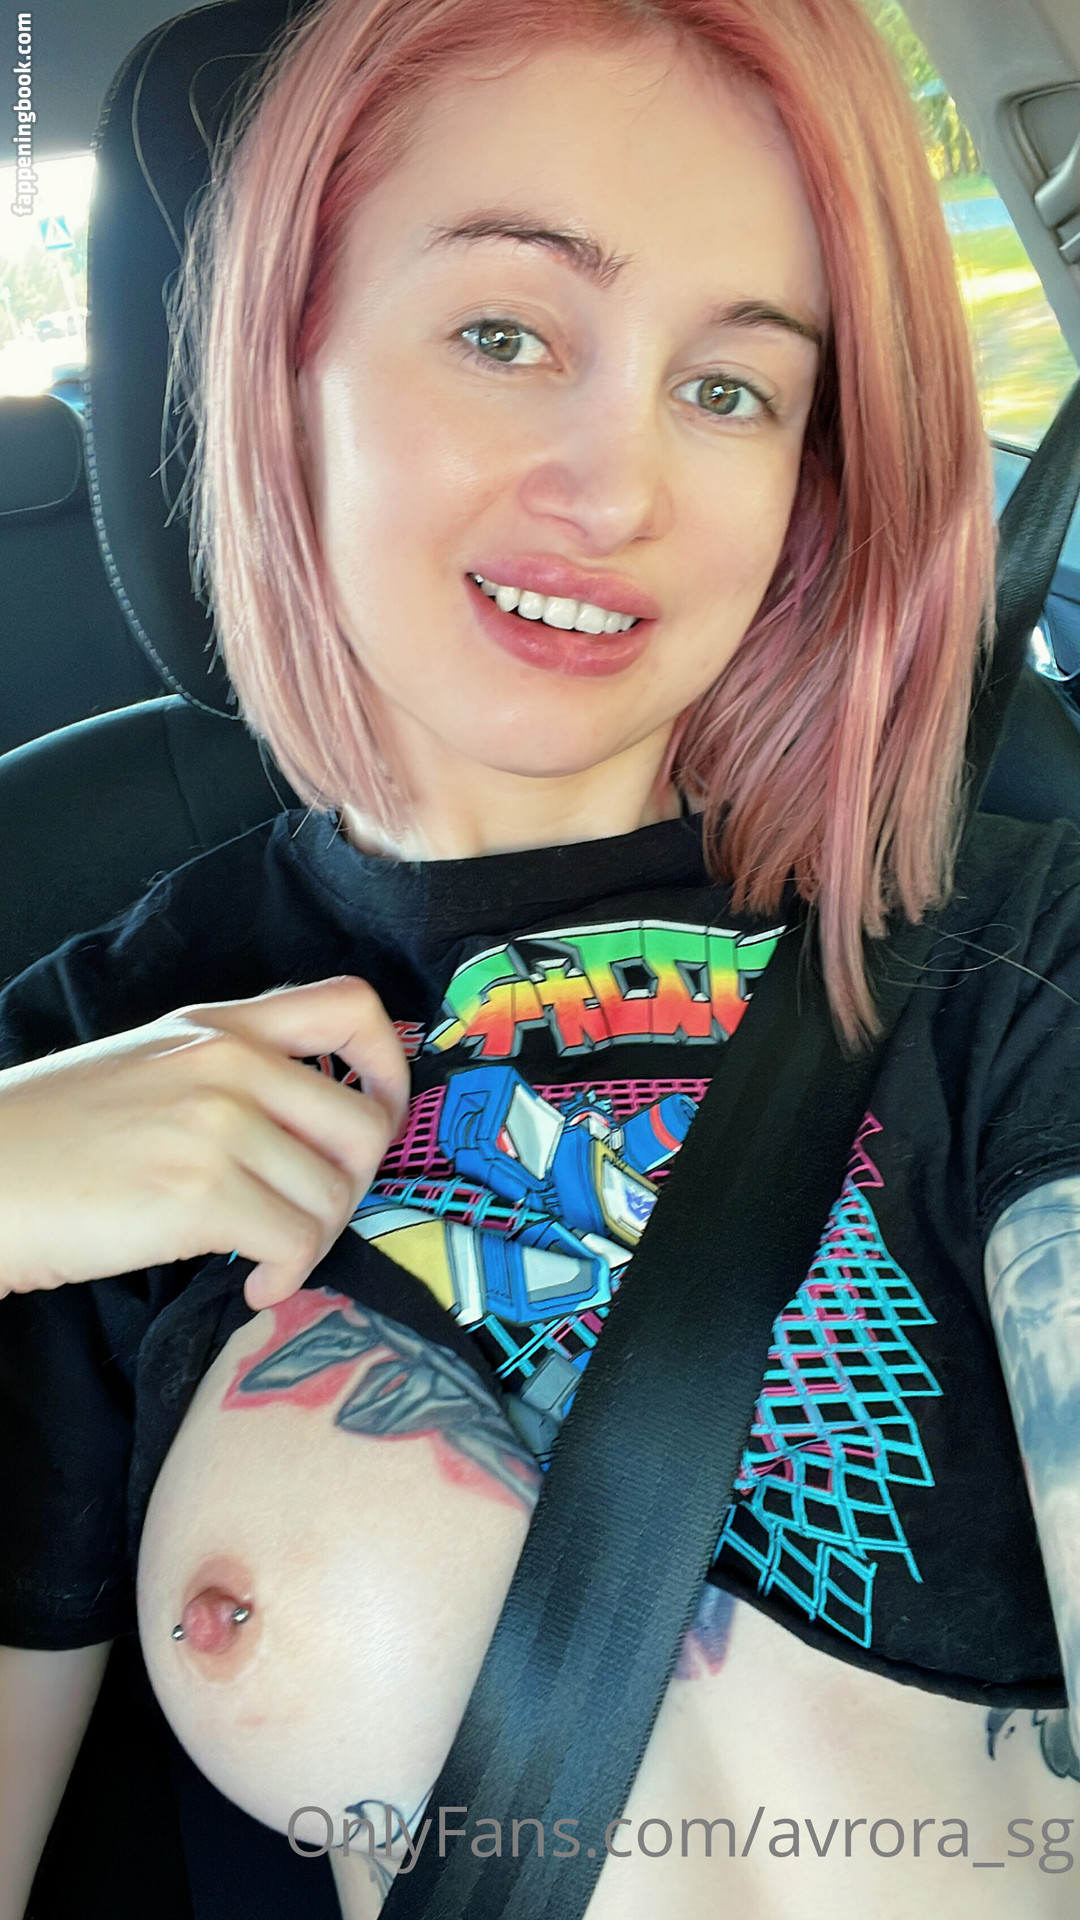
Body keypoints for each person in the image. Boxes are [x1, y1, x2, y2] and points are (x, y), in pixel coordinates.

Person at [2, 0, 1080, 1914]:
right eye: (506, 335)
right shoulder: (104, 1060)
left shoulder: (1018, 958)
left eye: (731, 388)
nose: (620, 490)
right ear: (286, 361)